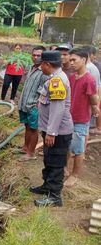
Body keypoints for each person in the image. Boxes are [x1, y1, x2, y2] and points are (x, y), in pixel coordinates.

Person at [29, 51, 73, 207]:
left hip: (58, 131)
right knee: (49, 159)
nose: (40, 66)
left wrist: (52, 132)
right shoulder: (54, 79)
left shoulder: (57, 81)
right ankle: (47, 187)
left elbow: (57, 108)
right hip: (51, 129)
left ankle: (54, 196)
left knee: (56, 162)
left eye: (42, 64)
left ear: (47, 64)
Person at [64, 48, 99, 187]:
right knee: (66, 145)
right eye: (70, 60)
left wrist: (95, 107)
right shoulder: (72, 77)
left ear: (83, 60)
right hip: (69, 117)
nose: (71, 63)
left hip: (81, 119)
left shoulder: (89, 79)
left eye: (74, 60)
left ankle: (75, 175)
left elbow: (93, 98)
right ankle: (65, 169)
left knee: (78, 148)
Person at [17, 46, 47, 161]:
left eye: (38, 55)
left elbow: (44, 90)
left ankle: (31, 153)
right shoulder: (32, 68)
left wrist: (37, 104)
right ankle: (25, 147)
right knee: (27, 126)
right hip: (25, 103)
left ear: (43, 56)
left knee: (33, 129)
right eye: (34, 55)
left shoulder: (44, 71)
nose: (35, 57)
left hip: (34, 105)